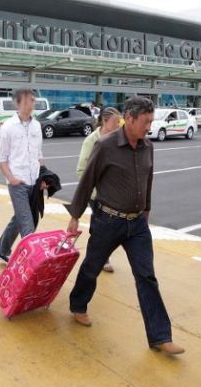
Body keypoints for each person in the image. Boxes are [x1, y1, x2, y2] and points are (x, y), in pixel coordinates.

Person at [65, 96, 185, 356]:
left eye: (151, 121)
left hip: (137, 224)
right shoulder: (106, 146)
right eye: (146, 121)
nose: (149, 127)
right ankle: (78, 304)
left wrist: (147, 209)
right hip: (108, 220)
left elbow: (148, 179)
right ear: (129, 119)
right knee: (92, 267)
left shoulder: (148, 147)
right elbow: (88, 180)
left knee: (147, 277)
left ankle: (160, 337)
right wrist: (75, 215)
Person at [0, 88, 49, 263]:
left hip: (34, 182)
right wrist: (11, 179)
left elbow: (39, 154)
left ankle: (2, 249)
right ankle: (33, 264)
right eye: (27, 101)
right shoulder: (8, 127)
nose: (31, 104)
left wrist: (44, 177)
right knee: (27, 224)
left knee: (19, 217)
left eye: (33, 100)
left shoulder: (37, 125)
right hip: (17, 182)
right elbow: (1, 159)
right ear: (17, 103)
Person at [76, 106, 122, 273]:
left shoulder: (118, 139)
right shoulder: (91, 141)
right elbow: (81, 170)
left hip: (114, 194)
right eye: (116, 122)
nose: (119, 125)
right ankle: (97, 261)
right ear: (105, 121)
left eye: (120, 122)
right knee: (99, 228)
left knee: (109, 228)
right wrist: (95, 194)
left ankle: (99, 258)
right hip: (97, 194)